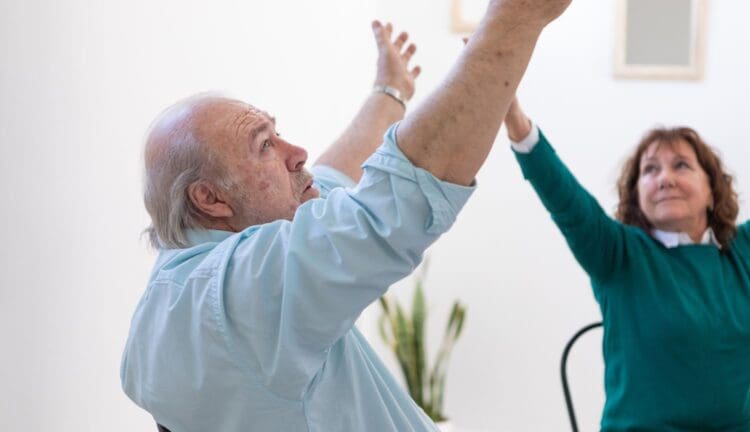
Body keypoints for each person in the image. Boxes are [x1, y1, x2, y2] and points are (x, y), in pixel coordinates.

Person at [121, 2, 573, 431]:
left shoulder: (181, 291)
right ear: (211, 198)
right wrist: (515, 16)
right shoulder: (239, 294)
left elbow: (329, 181)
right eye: (264, 145)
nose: (297, 153)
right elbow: (393, 203)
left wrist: (389, 93)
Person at [504, 96, 750, 431]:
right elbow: (563, 197)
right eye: (650, 169)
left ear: (712, 190)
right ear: (637, 196)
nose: (665, 178)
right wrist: (514, 119)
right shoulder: (618, 253)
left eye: (681, 165)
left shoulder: (746, 248)